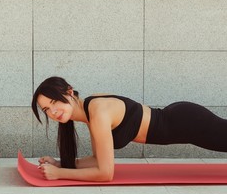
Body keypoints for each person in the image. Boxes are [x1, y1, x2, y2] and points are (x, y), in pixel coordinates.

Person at [32, 76, 227, 182]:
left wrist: (60, 174)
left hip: (187, 121)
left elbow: (105, 174)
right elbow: (98, 161)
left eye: (55, 101)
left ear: (69, 91)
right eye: (47, 109)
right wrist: (60, 164)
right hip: (179, 117)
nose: (53, 111)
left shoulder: (98, 112)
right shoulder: (91, 110)